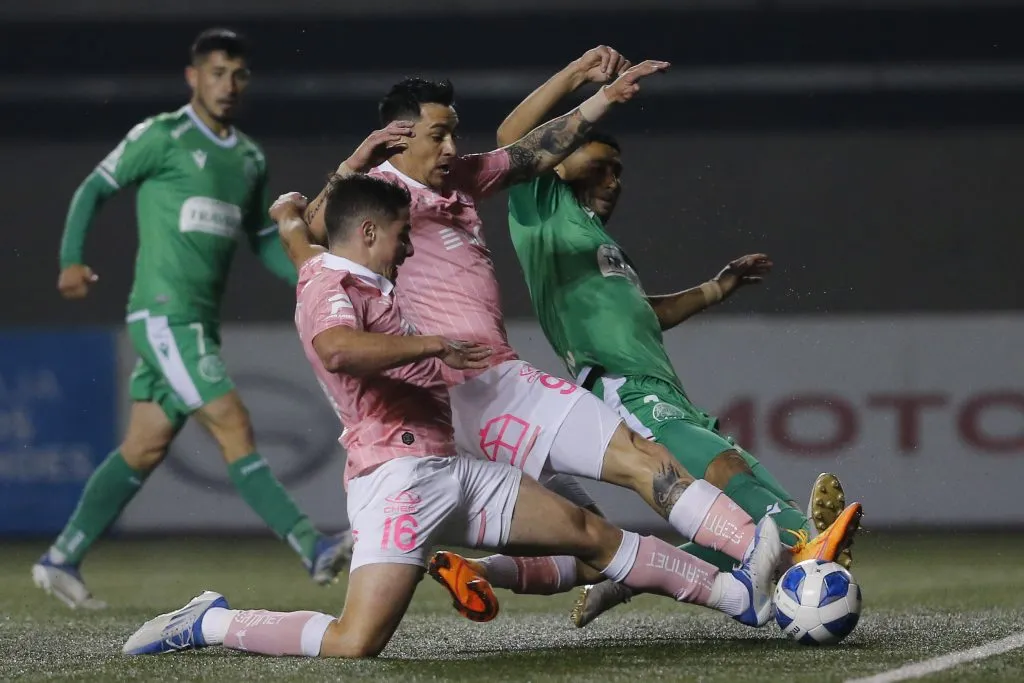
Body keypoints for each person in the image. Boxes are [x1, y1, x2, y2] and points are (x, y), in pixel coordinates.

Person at [121, 180, 785, 659]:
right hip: (395, 478)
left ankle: (737, 596)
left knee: (589, 533)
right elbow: (336, 349)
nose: (410, 251)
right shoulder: (330, 287)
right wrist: (432, 344)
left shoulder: (342, 269)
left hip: (455, 467)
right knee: (356, 641)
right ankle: (210, 624)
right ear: (370, 233)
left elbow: (305, 243)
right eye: (403, 237)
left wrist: (292, 216)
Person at [476, 46, 862, 627]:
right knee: (726, 479)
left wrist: (716, 288)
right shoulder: (541, 204)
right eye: (600, 163)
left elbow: (642, 314)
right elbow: (513, 134)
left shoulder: (595, 241)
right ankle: (804, 544)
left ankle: (635, 580)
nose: (614, 178)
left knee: (735, 485)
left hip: (661, 387)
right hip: (621, 387)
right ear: (556, 161)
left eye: (620, 171)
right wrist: (581, 76)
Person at [35, 28, 350, 609]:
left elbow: (260, 240)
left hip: (197, 325)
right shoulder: (162, 136)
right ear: (193, 77)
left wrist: (311, 278)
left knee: (145, 446)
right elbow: (92, 189)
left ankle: (61, 558)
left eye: (237, 75)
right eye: (216, 73)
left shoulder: (250, 158)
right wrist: (71, 260)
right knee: (232, 422)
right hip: (162, 316)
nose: (227, 85)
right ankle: (312, 545)